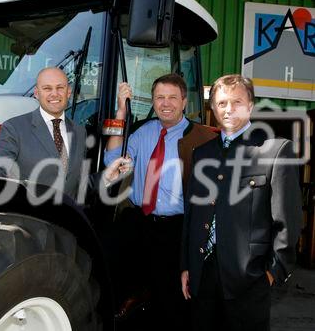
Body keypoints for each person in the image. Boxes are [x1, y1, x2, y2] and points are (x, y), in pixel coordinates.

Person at [181, 74, 302, 331]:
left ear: (250, 106)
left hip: (248, 282)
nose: (228, 109)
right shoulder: (202, 154)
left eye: (236, 102)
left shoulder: (275, 152)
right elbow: (191, 215)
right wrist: (187, 266)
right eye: (222, 103)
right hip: (202, 277)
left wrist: (272, 273)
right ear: (213, 108)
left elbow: (288, 223)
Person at [103, 73, 216, 326]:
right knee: (119, 281)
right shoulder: (143, 132)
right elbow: (111, 160)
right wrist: (121, 112)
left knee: (172, 300)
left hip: (176, 229)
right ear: (153, 102)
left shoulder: (202, 139)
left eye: (172, 98)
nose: (166, 103)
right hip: (140, 222)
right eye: (160, 98)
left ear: (185, 102)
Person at [0, 66, 129, 199]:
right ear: (36, 93)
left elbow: (76, 186)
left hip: (64, 224)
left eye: (60, 88)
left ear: (69, 92)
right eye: (47, 88)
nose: (54, 94)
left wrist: (107, 177)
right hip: (27, 222)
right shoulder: (14, 128)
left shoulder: (79, 132)